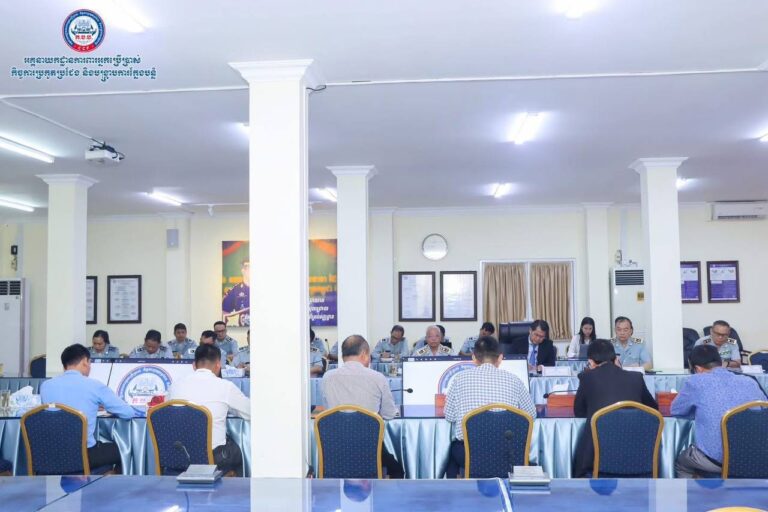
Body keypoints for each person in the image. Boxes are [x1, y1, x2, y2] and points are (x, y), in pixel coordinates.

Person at [444, 335, 536, 478]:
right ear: (500, 358)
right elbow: (530, 415)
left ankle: (458, 489)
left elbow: (449, 416)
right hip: (508, 454)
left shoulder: (459, 379)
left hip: (471, 454)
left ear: (474, 358)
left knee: (451, 454)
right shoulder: (514, 380)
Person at [40, 344, 141, 472]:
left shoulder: (46, 385)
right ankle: (106, 484)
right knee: (122, 449)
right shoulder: (94, 385)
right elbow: (128, 413)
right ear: (85, 362)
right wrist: (106, 407)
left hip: (49, 454)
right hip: (83, 455)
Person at [672, 345, 765, 478]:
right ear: (720, 362)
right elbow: (764, 410)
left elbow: (676, 410)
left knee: (682, 463)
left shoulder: (696, 381)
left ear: (697, 369)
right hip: (755, 456)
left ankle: (697, 491)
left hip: (716, 460)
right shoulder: (749, 381)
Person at [572, 339, 658, 477]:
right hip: (638, 454)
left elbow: (579, 412)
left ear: (591, 362)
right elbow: (653, 409)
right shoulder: (636, 378)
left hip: (597, 457)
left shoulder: (587, 378)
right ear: (616, 359)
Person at [322, 334, 404, 478]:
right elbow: (389, 414)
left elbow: (328, 411)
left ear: (342, 355)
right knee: (397, 470)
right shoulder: (377, 378)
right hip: (368, 447)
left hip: (336, 449)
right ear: (364, 354)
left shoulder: (327, 377)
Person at [168, 344, 250, 477]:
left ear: (194, 366)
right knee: (238, 451)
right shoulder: (225, 387)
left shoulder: (175, 386)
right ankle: (233, 489)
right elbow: (250, 412)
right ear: (218, 365)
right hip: (212, 457)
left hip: (176, 455)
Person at [221, 259, 250, 327]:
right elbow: (224, 312)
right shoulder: (235, 290)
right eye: (248, 268)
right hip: (242, 328)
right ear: (243, 271)